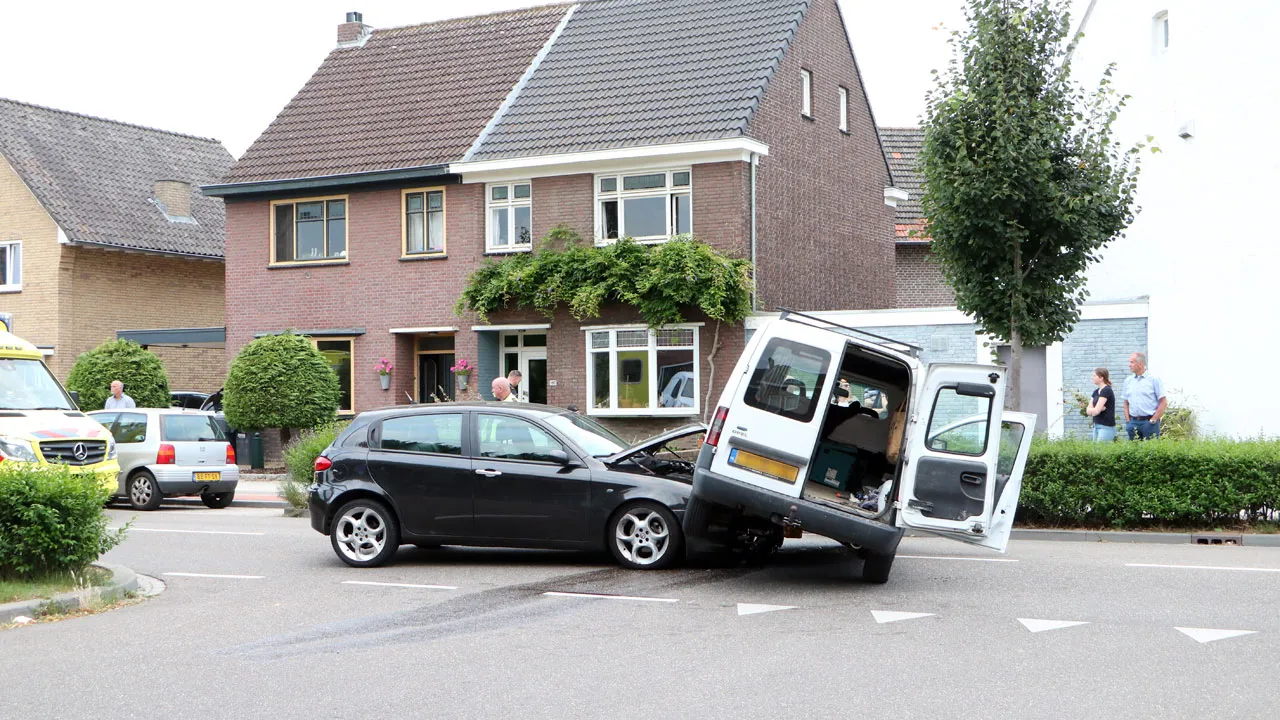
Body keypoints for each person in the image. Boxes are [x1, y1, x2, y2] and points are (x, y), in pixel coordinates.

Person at [1123, 352, 1166, 440]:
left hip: (1149, 422)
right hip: (1133, 422)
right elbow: (1126, 403)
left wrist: (1153, 420)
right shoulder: (1128, 381)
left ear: (1140, 364)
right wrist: (1128, 421)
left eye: (1132, 362)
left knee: (1151, 451)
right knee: (1133, 452)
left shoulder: (1154, 379)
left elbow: (1163, 402)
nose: (1129, 365)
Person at [1084, 367, 1116, 442]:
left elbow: (1096, 411)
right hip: (1096, 425)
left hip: (1106, 427)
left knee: (1101, 451)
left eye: (1094, 376)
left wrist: (1095, 410)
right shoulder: (1095, 392)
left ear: (1101, 378)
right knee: (1095, 452)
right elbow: (1088, 410)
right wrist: (1095, 409)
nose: (1092, 377)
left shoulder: (1106, 390)